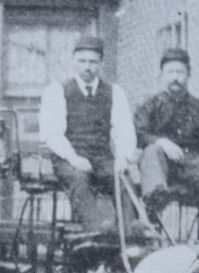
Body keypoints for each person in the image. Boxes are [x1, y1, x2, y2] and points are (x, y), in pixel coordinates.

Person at [133, 47, 199, 243]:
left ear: (188, 75)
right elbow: (137, 132)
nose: (175, 77)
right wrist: (161, 141)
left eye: (180, 72)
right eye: (170, 72)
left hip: (192, 165)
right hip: (158, 165)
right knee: (153, 151)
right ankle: (152, 214)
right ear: (161, 75)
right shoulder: (149, 106)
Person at [41, 34, 137, 235]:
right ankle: (98, 232)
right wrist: (74, 158)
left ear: (101, 64)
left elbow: (124, 129)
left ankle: (128, 237)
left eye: (93, 62)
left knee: (123, 182)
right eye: (82, 61)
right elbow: (53, 134)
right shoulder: (58, 90)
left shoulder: (114, 92)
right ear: (73, 61)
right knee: (79, 180)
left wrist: (123, 157)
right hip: (68, 158)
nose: (87, 67)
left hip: (101, 157)